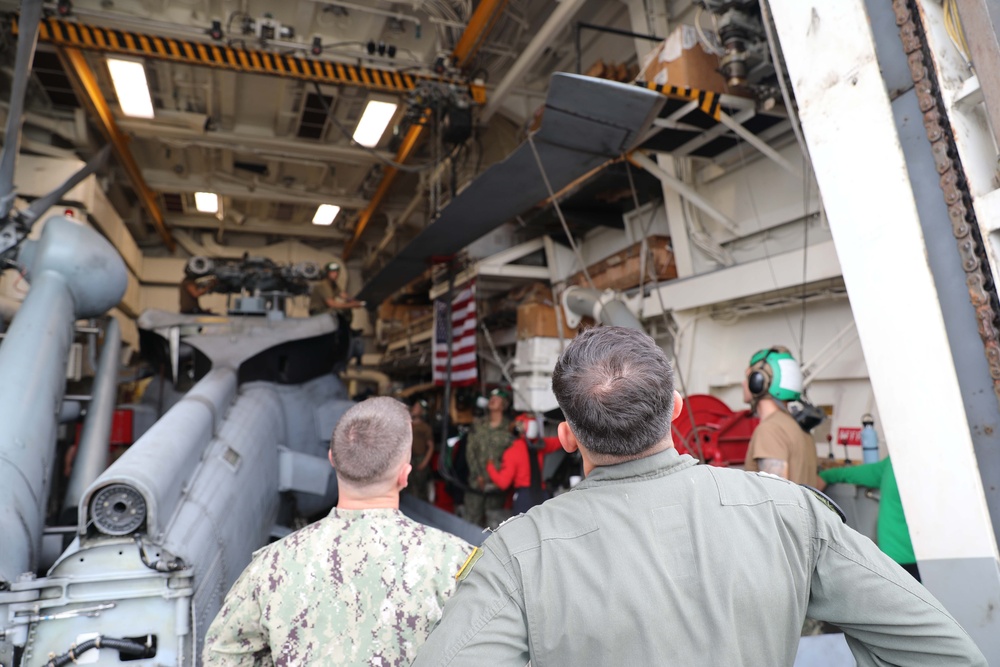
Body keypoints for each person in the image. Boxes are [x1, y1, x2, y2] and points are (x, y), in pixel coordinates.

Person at [411, 326, 987, 666]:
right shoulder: (792, 516)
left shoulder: (516, 554)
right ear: (678, 408)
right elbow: (945, 653)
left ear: (566, 436)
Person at [203, 396, 473, 665]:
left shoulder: (271, 566)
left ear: (332, 459)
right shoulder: (457, 563)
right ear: (405, 474)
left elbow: (223, 656)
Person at [820, 455, 920, 580]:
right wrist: (827, 476)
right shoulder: (894, 460)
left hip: (910, 563)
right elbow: (862, 473)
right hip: (901, 563)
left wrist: (824, 477)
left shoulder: (904, 460)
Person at [742, 346, 823, 488]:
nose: (743, 383)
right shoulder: (800, 427)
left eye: (748, 377)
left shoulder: (770, 430)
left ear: (758, 381)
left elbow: (777, 498)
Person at [486, 414, 562, 514]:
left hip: (524, 499)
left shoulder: (512, 452)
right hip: (543, 496)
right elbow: (560, 441)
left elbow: (503, 483)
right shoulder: (541, 445)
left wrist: (490, 466)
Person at [463, 387, 512, 527]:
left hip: (496, 487)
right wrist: (477, 475)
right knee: (471, 523)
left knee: (494, 527)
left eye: (497, 399)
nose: (492, 400)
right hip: (476, 484)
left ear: (504, 405)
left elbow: (511, 456)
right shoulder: (478, 425)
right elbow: (470, 451)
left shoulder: (509, 427)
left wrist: (500, 478)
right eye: (491, 398)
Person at [408, 398, 435, 502]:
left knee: (420, 488)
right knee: (407, 487)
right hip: (408, 459)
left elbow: (430, 446)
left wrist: (424, 462)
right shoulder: (408, 424)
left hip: (419, 458)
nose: (414, 409)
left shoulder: (425, 427)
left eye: (418, 407)